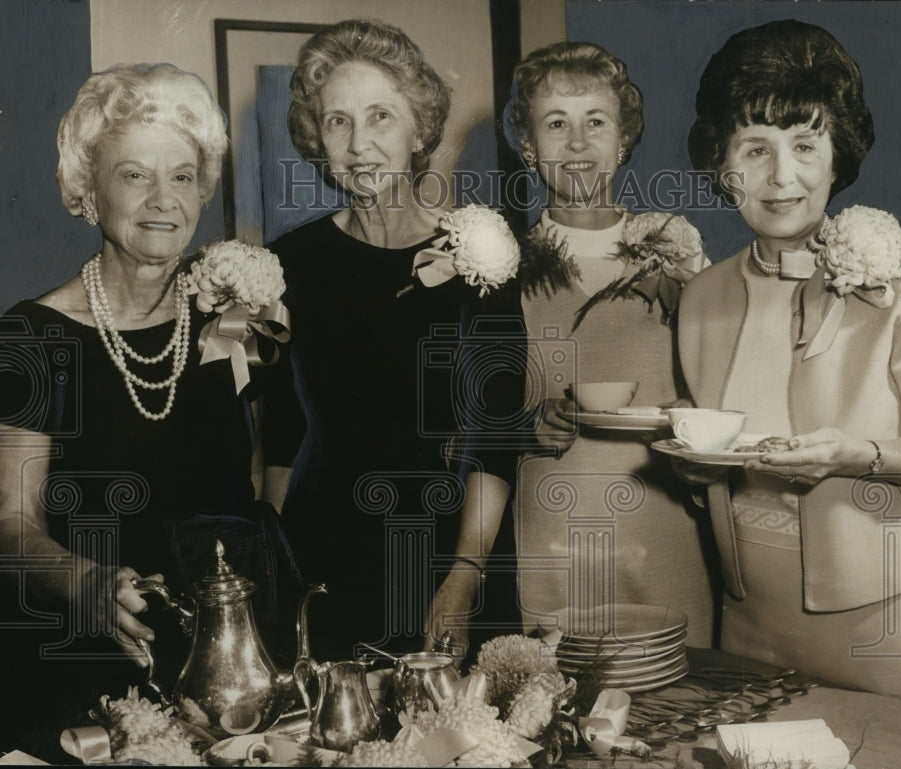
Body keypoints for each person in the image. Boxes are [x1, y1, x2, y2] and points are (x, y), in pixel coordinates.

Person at [679, 19, 901, 715]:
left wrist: (861, 454)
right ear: (723, 165)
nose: (781, 175)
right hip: (751, 623)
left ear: (836, 155)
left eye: (804, 143)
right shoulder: (699, 299)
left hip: (895, 619)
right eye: (754, 148)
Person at [0, 63, 298, 754]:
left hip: (230, 669)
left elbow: (259, 482)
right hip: (81, 666)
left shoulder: (231, 315)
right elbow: (9, 522)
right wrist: (83, 580)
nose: (163, 198)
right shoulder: (31, 337)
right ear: (85, 192)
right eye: (134, 174)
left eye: (183, 175)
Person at [265, 19, 526, 664]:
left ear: (418, 129)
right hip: (325, 558)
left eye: (380, 116)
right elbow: (281, 433)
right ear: (315, 137)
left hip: (452, 550)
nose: (360, 145)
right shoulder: (289, 262)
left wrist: (465, 575)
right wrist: (271, 570)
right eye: (337, 122)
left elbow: (496, 439)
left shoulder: (476, 256)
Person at [503, 41, 718, 646]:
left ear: (622, 139)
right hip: (552, 531)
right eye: (556, 124)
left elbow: (719, 382)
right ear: (528, 146)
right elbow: (464, 422)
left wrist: (696, 419)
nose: (577, 143)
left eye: (595, 122)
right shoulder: (499, 262)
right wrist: (524, 426)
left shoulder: (677, 250)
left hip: (664, 525)